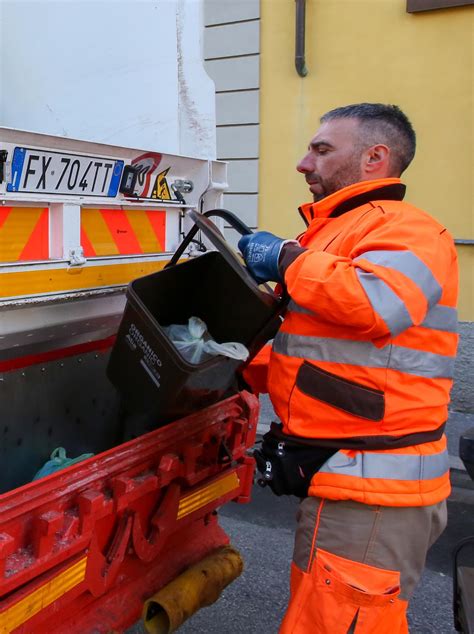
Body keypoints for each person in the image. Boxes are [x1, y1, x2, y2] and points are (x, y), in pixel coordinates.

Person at [238, 103, 459, 634]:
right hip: (348, 481)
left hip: (376, 489)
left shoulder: (410, 230)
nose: (302, 164)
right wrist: (238, 368)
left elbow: (375, 303)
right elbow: (318, 348)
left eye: (321, 149)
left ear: (374, 158)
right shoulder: (338, 233)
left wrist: (286, 258)